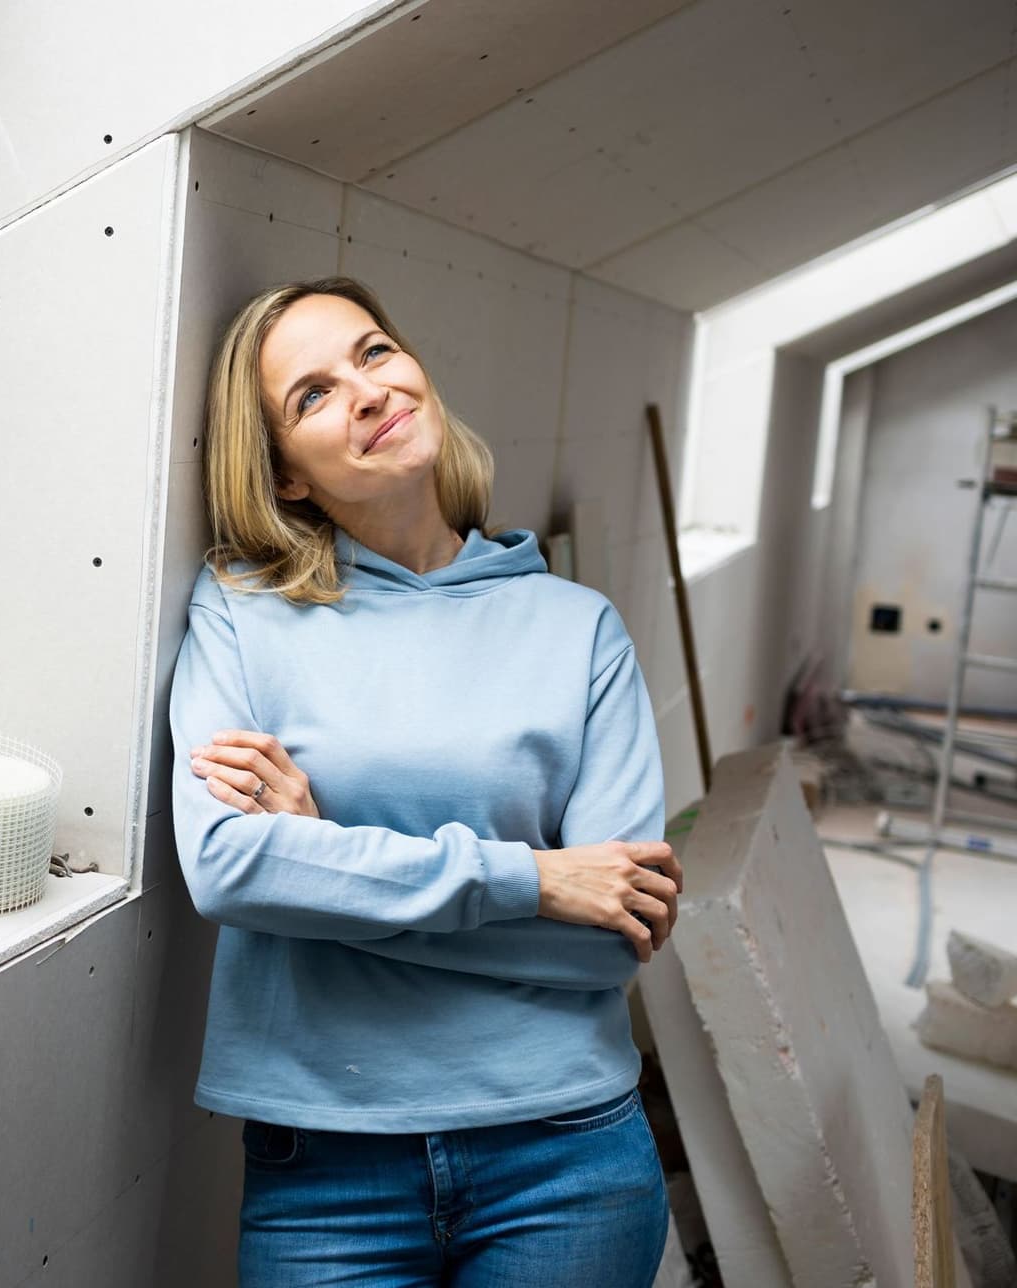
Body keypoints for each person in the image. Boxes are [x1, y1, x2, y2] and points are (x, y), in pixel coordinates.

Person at [169, 276, 683, 1287]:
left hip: (567, 1157)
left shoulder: (578, 629)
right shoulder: (241, 612)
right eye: (310, 396)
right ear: (285, 477)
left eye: (373, 353)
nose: (364, 391)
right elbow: (230, 872)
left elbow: (607, 944)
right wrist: (533, 881)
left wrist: (323, 866)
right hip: (326, 1169)